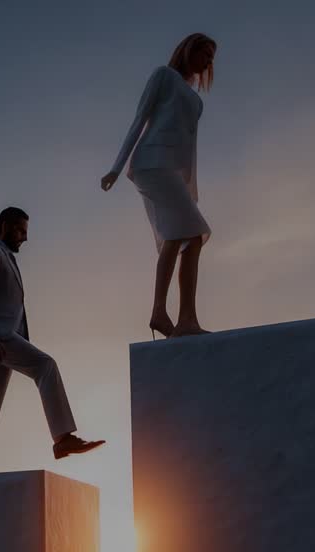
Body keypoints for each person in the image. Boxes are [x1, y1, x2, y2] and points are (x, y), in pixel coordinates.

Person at [0, 207, 105, 475]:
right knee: (45, 366)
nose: (24, 238)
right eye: (20, 230)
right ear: (4, 225)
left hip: (0, 341)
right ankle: (63, 439)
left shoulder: (9, 259)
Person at [101, 32, 218, 338]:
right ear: (187, 50)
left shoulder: (195, 100)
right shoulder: (163, 76)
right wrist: (115, 168)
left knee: (181, 237)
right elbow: (139, 119)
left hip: (172, 172)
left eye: (211, 57)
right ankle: (180, 317)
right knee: (192, 234)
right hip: (150, 163)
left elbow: (190, 146)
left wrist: (189, 189)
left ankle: (171, 316)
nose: (207, 60)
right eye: (203, 52)